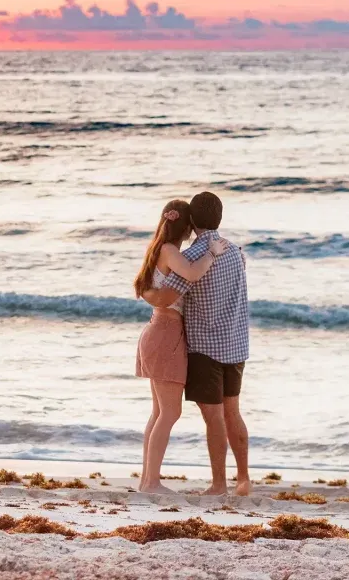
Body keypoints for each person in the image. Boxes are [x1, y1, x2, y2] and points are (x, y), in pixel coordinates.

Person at [143, 191, 251, 496]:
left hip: (205, 346)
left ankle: (219, 485)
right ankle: (243, 479)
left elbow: (166, 297)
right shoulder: (234, 251)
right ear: (219, 217)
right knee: (234, 413)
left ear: (192, 220)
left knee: (213, 417)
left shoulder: (190, 257)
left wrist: (145, 293)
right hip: (236, 344)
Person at [133, 199, 227, 494]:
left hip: (158, 330)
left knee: (159, 412)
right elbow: (193, 273)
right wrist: (211, 253)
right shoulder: (170, 251)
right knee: (169, 413)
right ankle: (151, 482)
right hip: (166, 334)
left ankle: (147, 480)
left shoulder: (157, 249)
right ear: (186, 226)